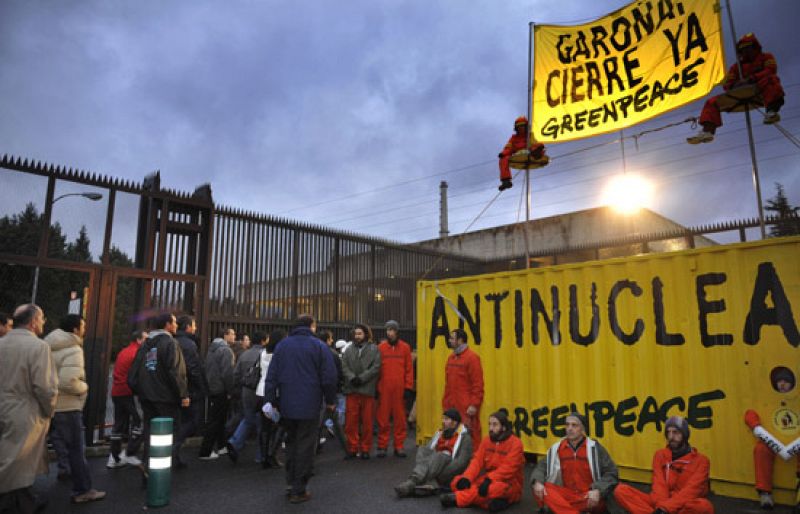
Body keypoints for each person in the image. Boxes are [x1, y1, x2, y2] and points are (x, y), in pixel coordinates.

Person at [264, 315, 338, 504]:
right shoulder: (319, 346)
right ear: (311, 326)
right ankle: (299, 489)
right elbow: (328, 378)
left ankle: (290, 482)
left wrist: (270, 400)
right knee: (306, 446)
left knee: (291, 444)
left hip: (286, 404)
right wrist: (330, 400)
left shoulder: (282, 346)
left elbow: (271, 375)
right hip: (310, 404)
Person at [0, 304, 58, 513]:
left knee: (8, 457)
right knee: (18, 461)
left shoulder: (2, 342)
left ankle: (24, 501)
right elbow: (45, 387)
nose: (44, 322)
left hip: (4, 406)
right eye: (41, 318)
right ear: (33, 322)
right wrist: (49, 410)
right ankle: (19, 504)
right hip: (25, 410)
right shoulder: (39, 347)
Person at [46, 314, 107, 504]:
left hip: (52, 404)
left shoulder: (48, 345)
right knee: (76, 449)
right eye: (83, 325)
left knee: (57, 440)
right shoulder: (73, 349)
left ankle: (64, 470)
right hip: (69, 405)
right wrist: (85, 387)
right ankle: (82, 490)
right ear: (74, 329)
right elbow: (68, 382)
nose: (84, 328)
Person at [687, 33, 784, 144]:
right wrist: (735, 85)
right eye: (743, 49)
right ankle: (707, 131)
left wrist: (752, 78)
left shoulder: (766, 57)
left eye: (748, 47)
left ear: (755, 47)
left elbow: (771, 70)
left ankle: (771, 111)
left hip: (760, 90)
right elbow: (727, 83)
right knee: (711, 102)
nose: (746, 51)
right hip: (740, 92)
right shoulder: (736, 67)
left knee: (771, 80)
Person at [127, 313, 189, 478]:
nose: (176, 325)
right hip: (166, 398)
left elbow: (133, 373)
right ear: (167, 325)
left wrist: (139, 391)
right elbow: (175, 372)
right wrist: (183, 394)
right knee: (170, 434)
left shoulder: (145, 344)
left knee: (150, 434)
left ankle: (148, 467)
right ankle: (160, 473)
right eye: (174, 322)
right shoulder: (170, 343)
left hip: (147, 397)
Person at [614, 416, 714, 514]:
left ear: (685, 435)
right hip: (659, 502)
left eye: (675, 432)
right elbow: (659, 484)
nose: (671, 437)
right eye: (668, 432)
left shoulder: (702, 461)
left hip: (683, 505)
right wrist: (661, 507)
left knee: (704, 506)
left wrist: (665, 509)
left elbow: (691, 491)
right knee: (620, 490)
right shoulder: (660, 455)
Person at [530, 412, 619, 514]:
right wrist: (537, 482)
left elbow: (611, 472)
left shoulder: (595, 448)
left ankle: (563, 509)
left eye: (574, 425)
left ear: (582, 429)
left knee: (613, 494)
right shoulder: (557, 448)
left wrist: (598, 490)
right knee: (543, 488)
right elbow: (541, 468)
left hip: (589, 497)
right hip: (567, 496)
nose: (569, 428)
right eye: (567, 425)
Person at [440, 409, 525, 512]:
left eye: (495, 425)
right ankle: (490, 503)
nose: (491, 428)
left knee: (492, 489)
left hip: (510, 483)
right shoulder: (486, 440)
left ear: (503, 427)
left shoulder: (516, 443)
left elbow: (508, 468)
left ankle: (457, 498)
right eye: (489, 424)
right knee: (457, 482)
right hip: (487, 479)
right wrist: (467, 477)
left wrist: (489, 479)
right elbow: (477, 461)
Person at [743, 367, 799, 510]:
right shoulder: (766, 400)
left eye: (786, 381)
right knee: (761, 449)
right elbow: (749, 413)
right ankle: (765, 493)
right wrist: (756, 426)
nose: (782, 384)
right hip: (774, 441)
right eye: (779, 381)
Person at [395, 408, 473, 499]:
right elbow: (428, 451)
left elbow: (461, 462)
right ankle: (425, 482)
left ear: (454, 423)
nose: (443, 421)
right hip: (435, 464)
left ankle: (413, 482)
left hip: (449, 470)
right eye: (443, 418)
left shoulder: (465, 437)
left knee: (441, 455)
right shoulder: (440, 433)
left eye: (446, 419)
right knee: (422, 449)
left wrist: (440, 475)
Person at [226, 331, 269, 463]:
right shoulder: (266, 354)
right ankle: (260, 455)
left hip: (246, 391)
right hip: (261, 391)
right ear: (263, 340)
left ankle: (235, 442)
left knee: (248, 417)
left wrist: (236, 390)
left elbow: (236, 374)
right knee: (263, 423)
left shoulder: (245, 354)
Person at [341, 323, 381, 459]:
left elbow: (376, 367)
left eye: (360, 334)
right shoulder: (348, 350)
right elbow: (344, 366)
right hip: (352, 390)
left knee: (367, 422)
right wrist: (352, 378)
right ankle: (352, 448)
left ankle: (365, 449)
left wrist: (362, 378)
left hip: (367, 390)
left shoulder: (374, 349)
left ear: (366, 334)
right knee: (350, 422)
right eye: (356, 334)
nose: (357, 336)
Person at [107, 330, 146, 469]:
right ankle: (130, 453)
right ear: (139, 340)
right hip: (130, 392)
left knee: (118, 425)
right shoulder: (137, 353)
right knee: (139, 421)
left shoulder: (123, 351)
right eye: (145, 339)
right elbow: (139, 375)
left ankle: (114, 457)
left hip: (117, 391)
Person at [173, 315, 207, 467]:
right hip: (190, 390)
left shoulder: (174, 341)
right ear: (187, 327)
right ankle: (173, 449)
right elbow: (194, 368)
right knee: (192, 422)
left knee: (180, 421)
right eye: (193, 325)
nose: (195, 328)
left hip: (175, 389)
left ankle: (174, 452)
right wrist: (201, 387)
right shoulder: (189, 344)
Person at [376, 320, 413, 458]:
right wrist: (376, 387)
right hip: (384, 389)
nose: (389, 333)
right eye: (387, 330)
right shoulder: (380, 348)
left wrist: (408, 388)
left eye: (391, 330)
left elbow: (409, 369)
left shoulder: (405, 348)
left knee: (400, 419)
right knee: (382, 419)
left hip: (399, 389)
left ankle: (399, 446)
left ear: (397, 332)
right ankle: (382, 446)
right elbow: (377, 369)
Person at [442, 328, 484, 449]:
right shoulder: (451, 358)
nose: (449, 341)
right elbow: (448, 384)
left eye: (452, 338)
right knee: (452, 433)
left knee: (472, 434)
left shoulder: (472, 358)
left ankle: (474, 461)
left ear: (460, 340)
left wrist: (474, 405)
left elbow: (478, 384)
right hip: (452, 404)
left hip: (466, 407)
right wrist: (446, 402)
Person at [199, 327, 235, 460]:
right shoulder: (226, 350)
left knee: (219, 419)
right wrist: (230, 390)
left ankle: (221, 446)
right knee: (215, 420)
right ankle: (205, 451)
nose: (234, 336)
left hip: (212, 387)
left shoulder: (211, 349)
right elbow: (227, 373)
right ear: (225, 335)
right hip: (222, 389)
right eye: (232, 334)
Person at [257, 329, 286, 469]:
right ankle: (272, 454)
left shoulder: (262, 353)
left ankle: (263, 456)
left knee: (265, 427)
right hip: (275, 392)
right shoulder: (281, 355)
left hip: (260, 391)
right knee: (279, 425)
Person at [497, 116, 547, 191]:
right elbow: (509, 148)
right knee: (503, 159)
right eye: (519, 126)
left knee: (535, 146)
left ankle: (537, 153)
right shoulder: (514, 138)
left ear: (526, 126)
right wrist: (503, 153)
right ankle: (506, 181)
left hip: (531, 152)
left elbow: (537, 143)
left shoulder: (531, 135)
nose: (521, 128)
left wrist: (539, 147)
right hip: (519, 154)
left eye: (522, 126)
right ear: (516, 128)